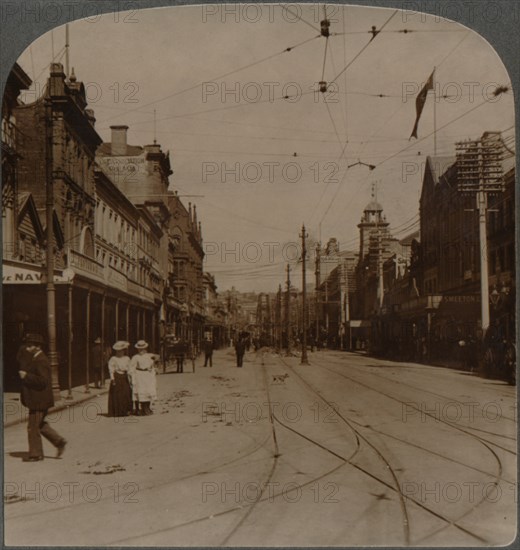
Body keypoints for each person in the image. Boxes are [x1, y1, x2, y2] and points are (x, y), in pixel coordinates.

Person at [18, 333, 67, 462]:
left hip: (39, 400)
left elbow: (43, 381)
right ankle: (59, 441)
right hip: (37, 399)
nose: (27, 348)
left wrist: (26, 376)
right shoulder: (36, 358)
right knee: (39, 424)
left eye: (30, 346)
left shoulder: (41, 360)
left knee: (33, 426)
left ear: (37, 347)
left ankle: (36, 454)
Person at [129, 340, 157, 415]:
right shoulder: (135, 357)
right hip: (139, 375)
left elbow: (152, 365)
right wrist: (132, 376)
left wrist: (152, 370)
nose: (141, 350)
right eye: (139, 349)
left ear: (145, 348)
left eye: (143, 349)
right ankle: (139, 409)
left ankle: (147, 408)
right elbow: (131, 368)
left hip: (147, 375)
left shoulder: (149, 356)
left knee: (147, 391)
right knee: (139, 391)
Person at [107, 341, 133, 417]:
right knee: (117, 394)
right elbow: (111, 369)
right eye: (119, 351)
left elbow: (129, 368)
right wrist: (112, 379)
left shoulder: (127, 358)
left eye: (122, 350)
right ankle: (117, 411)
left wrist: (131, 377)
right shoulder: (113, 359)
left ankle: (125, 410)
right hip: (117, 377)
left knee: (126, 393)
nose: (120, 352)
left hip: (124, 377)